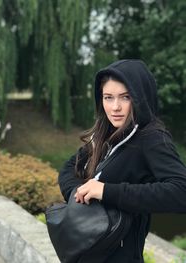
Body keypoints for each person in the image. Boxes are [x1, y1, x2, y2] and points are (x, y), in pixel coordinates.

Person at [58, 59, 186, 262]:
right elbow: (68, 168)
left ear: (140, 98)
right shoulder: (106, 134)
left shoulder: (152, 138)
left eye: (125, 97)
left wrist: (106, 191)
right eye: (108, 98)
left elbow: (181, 192)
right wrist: (79, 194)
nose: (115, 107)